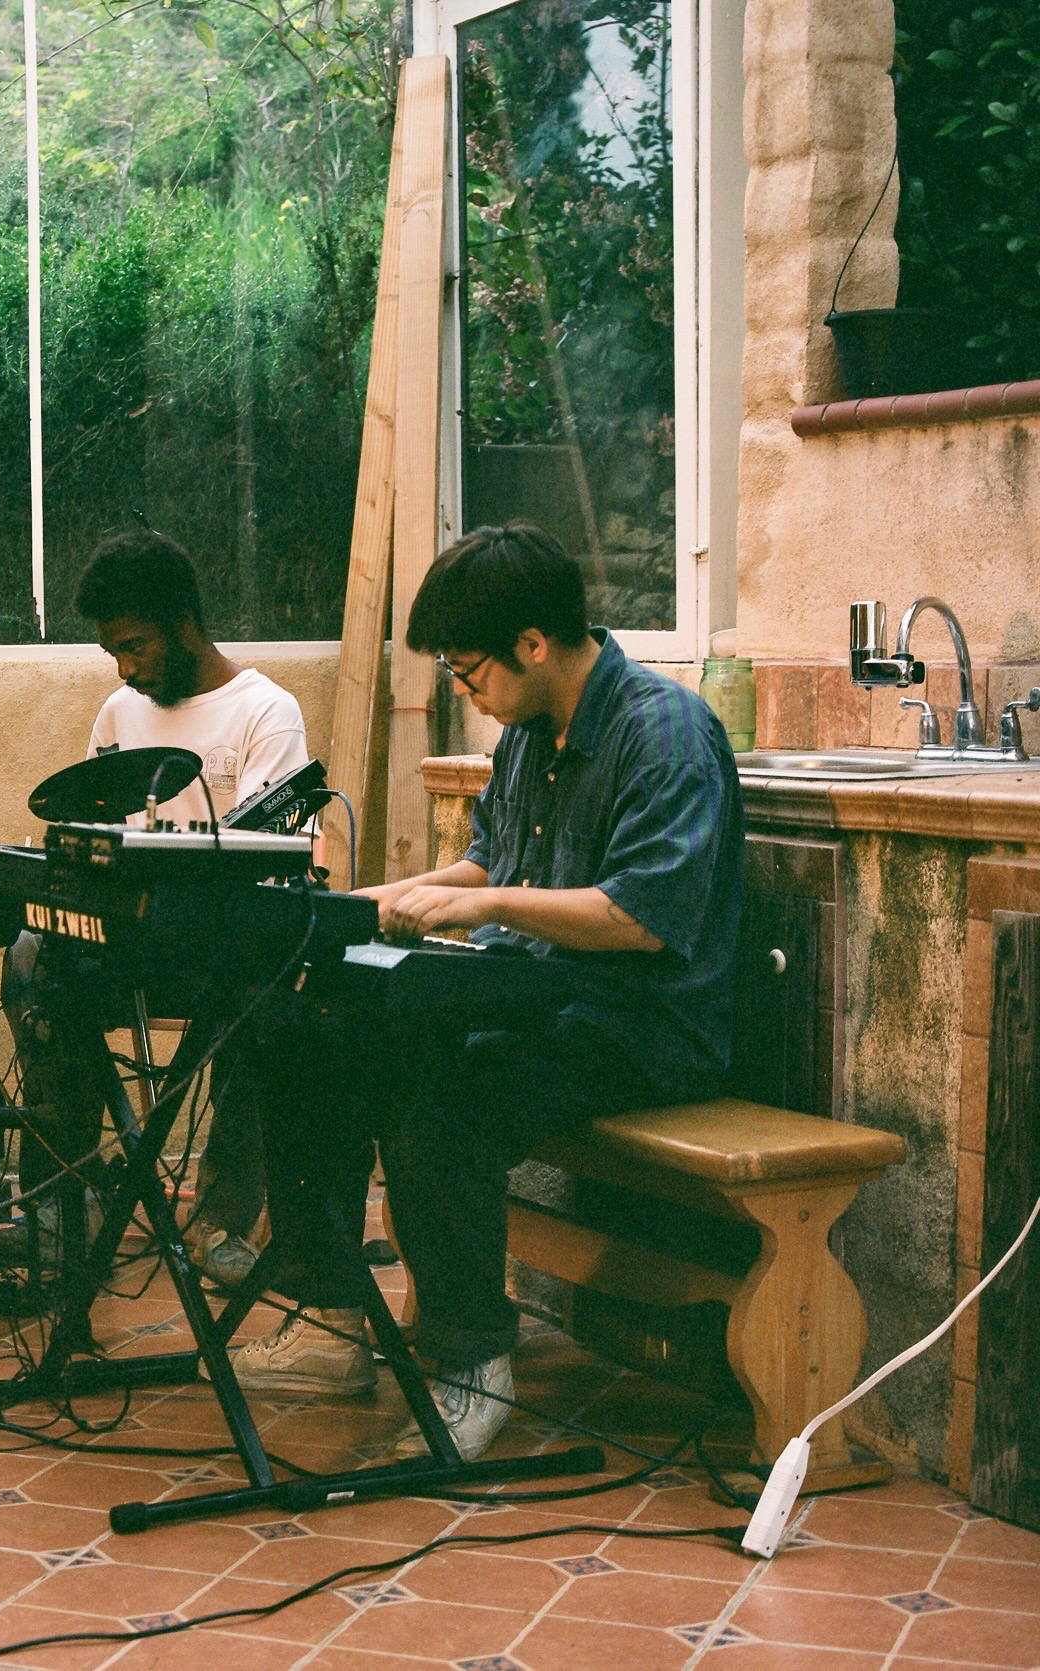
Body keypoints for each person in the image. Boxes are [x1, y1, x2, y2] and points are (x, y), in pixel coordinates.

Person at [225, 521, 744, 1459]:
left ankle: (472, 1365)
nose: (467, 692)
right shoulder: (528, 734)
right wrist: (366, 905)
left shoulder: (665, 734)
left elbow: (640, 919)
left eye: (469, 673)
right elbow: (486, 864)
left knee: (444, 1099)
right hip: (536, 997)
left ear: (533, 644)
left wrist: (484, 903)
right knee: (313, 1034)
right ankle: (332, 1315)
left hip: (643, 1025)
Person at [2, 529, 310, 1287]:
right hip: (128, 947)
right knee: (33, 955)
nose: (126, 667)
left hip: (220, 953)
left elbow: (271, 868)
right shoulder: (119, 712)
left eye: (135, 646)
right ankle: (65, 1202)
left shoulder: (266, 712)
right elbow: (92, 839)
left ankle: (222, 1218)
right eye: (113, 652)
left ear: (183, 621)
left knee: (270, 984)